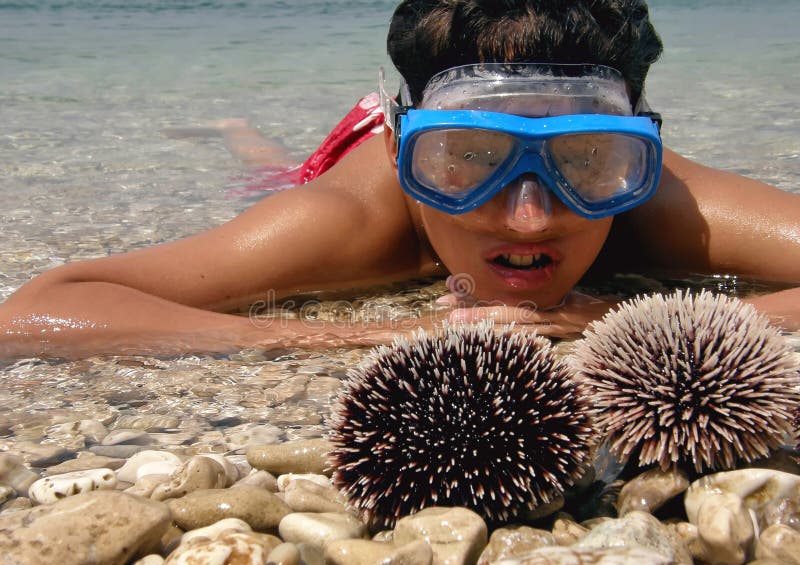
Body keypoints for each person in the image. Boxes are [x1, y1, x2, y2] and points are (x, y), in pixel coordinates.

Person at [1, 0, 799, 360]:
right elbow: (40, 309)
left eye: (586, 158)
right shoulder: (347, 219)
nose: (528, 219)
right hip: (342, 154)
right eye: (470, 156)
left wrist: (624, 318)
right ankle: (231, 131)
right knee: (271, 171)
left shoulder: (656, 201)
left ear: (640, 149)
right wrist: (375, 335)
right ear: (402, 144)